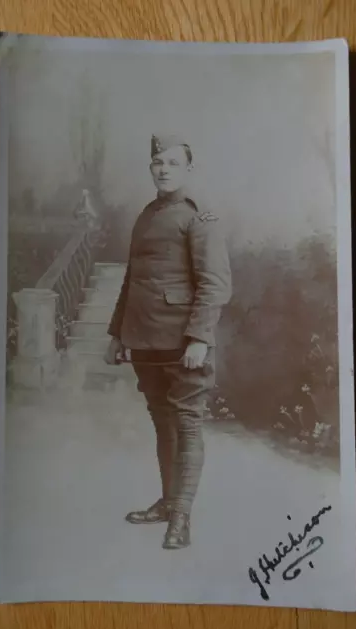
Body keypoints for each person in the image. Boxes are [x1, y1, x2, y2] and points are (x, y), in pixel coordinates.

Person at [104, 134, 232, 549]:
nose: (163, 169)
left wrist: (199, 338)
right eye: (158, 161)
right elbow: (133, 279)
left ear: (188, 170)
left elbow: (215, 285)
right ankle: (167, 502)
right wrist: (116, 333)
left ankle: (182, 518)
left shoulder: (199, 218)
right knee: (163, 423)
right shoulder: (147, 215)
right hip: (146, 340)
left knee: (187, 424)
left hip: (183, 343)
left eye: (173, 163)